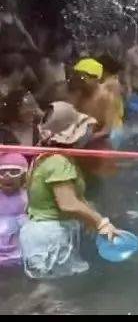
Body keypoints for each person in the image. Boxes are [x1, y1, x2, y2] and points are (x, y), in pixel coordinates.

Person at [20, 102, 122, 279]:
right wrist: (100, 223)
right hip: (50, 236)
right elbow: (68, 204)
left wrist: (89, 216)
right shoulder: (59, 162)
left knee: (49, 285)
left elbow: (71, 198)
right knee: (53, 290)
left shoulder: (46, 156)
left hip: (40, 232)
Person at [0, 152, 28, 269]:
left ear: (23, 176)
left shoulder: (27, 196)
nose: (8, 176)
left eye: (14, 172)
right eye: (2, 172)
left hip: (19, 249)